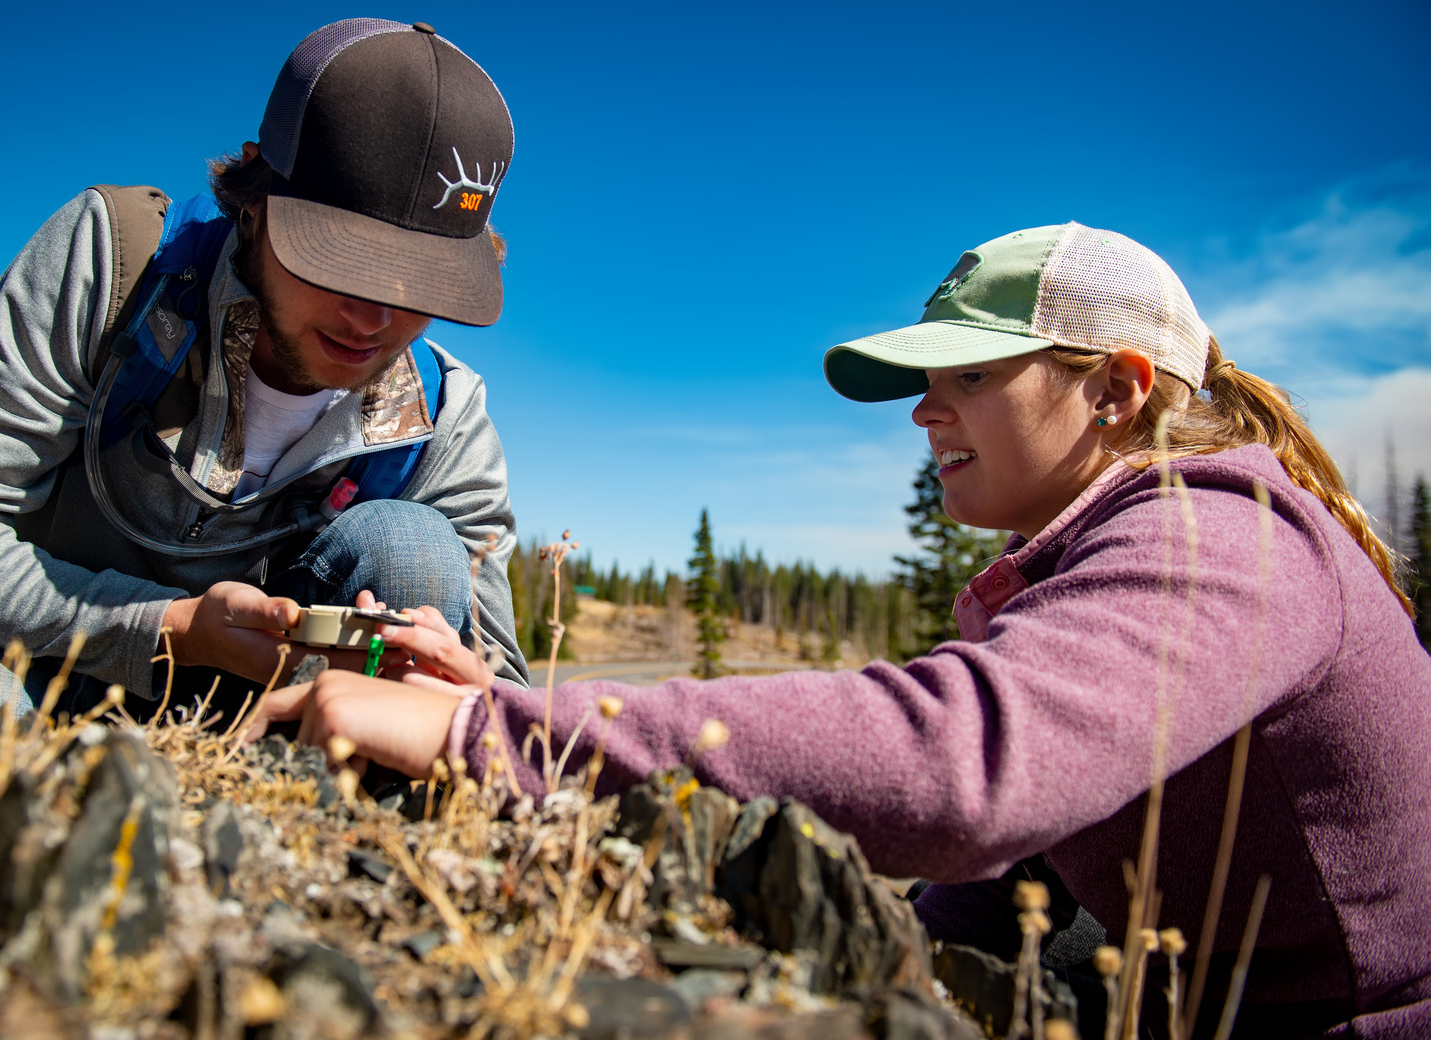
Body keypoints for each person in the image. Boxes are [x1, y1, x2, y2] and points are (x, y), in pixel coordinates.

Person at [248, 223, 1431, 1037]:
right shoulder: (1122, 550)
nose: (925, 411)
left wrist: (486, 730)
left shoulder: (1223, 534)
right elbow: (991, 875)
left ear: (1117, 390)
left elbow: (963, 768)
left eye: (966, 373)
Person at [0, 18, 529, 717]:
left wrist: (468, 690)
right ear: (257, 199)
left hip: (262, 725)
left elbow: (513, 703)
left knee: (414, 550)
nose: (374, 319)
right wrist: (168, 629)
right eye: (342, 262)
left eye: (421, 285)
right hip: (22, 662)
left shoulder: (443, 417)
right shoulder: (116, 267)